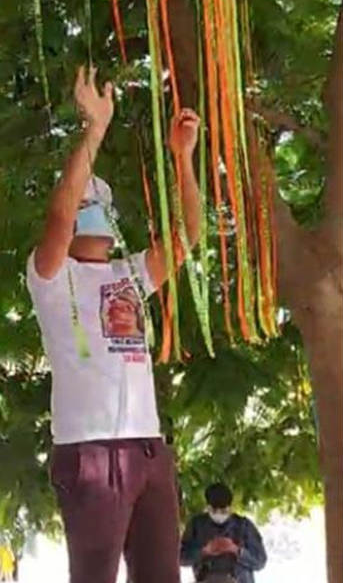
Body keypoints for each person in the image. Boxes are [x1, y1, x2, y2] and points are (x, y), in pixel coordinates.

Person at [27, 65, 203, 583]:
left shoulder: (131, 273)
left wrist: (183, 158)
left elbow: (189, 234)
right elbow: (59, 221)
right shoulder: (51, 277)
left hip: (148, 448)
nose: (96, 212)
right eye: (87, 203)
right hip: (89, 449)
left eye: (101, 204)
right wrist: (94, 131)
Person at [179, 482, 267, 583]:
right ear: (207, 507)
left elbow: (260, 562)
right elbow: (181, 558)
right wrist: (204, 551)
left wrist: (236, 550)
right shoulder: (196, 525)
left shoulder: (244, 526)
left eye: (223, 511)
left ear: (230, 507)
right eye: (214, 510)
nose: (218, 514)